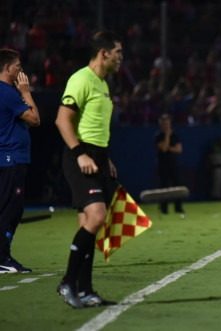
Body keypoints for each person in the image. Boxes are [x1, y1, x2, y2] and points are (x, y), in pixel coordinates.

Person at [55, 30, 123, 308]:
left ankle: (86, 290)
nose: (121, 58)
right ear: (103, 53)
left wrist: (104, 158)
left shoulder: (103, 83)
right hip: (79, 156)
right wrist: (81, 154)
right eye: (118, 52)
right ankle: (68, 282)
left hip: (97, 156)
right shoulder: (81, 79)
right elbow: (62, 120)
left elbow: (95, 126)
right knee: (97, 216)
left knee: (89, 224)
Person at [0, 49, 40, 273]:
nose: (21, 70)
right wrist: (26, 91)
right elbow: (35, 118)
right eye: (17, 66)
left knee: (6, 207)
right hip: (11, 158)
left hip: (5, 158)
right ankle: (2, 258)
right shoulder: (8, 92)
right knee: (11, 209)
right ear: (6, 68)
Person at [155, 114, 185, 216]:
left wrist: (170, 148)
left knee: (177, 186)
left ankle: (178, 207)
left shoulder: (175, 135)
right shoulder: (158, 136)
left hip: (174, 164)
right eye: (164, 123)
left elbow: (179, 149)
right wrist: (167, 135)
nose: (166, 125)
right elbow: (163, 148)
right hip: (163, 165)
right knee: (164, 187)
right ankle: (164, 208)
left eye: (168, 122)